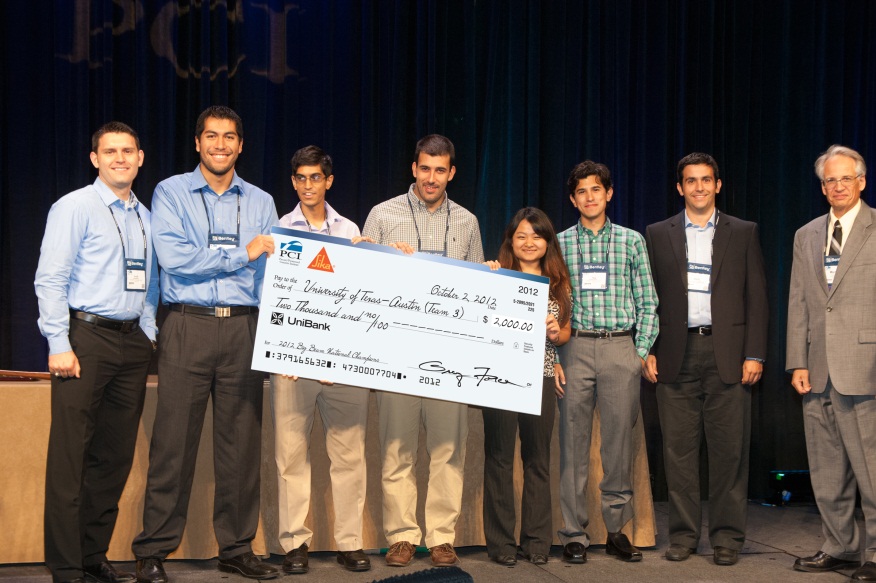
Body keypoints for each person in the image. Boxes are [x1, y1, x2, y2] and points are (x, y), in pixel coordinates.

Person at [131, 106, 278, 583]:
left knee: (241, 447)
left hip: (243, 329)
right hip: (186, 326)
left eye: (229, 137)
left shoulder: (261, 201)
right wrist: (242, 253)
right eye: (211, 136)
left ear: (240, 145)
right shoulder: (170, 192)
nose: (220, 145)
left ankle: (236, 547)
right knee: (173, 443)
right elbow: (175, 259)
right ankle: (153, 550)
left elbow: (274, 274)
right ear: (197, 143)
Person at [35, 122, 157, 583]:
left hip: (131, 344)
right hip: (84, 340)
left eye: (128, 150)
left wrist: (147, 332)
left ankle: (92, 555)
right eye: (110, 151)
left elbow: (148, 283)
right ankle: (66, 568)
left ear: (141, 158)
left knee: (114, 457)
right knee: (71, 458)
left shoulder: (144, 216)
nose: (120, 158)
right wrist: (58, 343)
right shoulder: (75, 207)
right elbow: (50, 279)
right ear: (95, 159)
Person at [361, 134, 484, 567]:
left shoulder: (467, 222)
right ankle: (401, 536)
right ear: (413, 168)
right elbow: (361, 283)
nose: (431, 178)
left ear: (451, 173)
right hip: (395, 352)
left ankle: (441, 536)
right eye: (424, 168)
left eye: (440, 170)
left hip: (450, 357)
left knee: (449, 448)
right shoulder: (382, 215)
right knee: (397, 447)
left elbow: (478, 293)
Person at [644, 153, 768, 566]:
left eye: (706, 180)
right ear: (679, 188)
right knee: (678, 454)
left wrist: (754, 353)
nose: (698, 187)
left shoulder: (744, 232)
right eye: (690, 181)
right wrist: (648, 349)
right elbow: (649, 297)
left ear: (718, 185)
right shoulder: (658, 233)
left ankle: (728, 539)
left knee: (729, 452)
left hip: (728, 354)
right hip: (675, 354)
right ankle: (682, 537)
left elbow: (757, 298)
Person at [270, 145, 371, 574]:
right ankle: (295, 543)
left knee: (349, 455)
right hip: (292, 363)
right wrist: (288, 348)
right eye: (301, 178)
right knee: (291, 455)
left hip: (343, 364)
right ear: (293, 182)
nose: (308, 185)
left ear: (328, 181)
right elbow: (272, 296)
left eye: (316, 178)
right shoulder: (278, 229)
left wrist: (340, 356)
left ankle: (349, 542)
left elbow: (363, 297)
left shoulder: (350, 230)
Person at [555, 160, 658, 565]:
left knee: (617, 445)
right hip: (574, 348)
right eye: (581, 191)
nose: (589, 197)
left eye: (596, 189)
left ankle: (616, 531)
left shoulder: (631, 241)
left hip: (620, 349)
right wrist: (554, 356)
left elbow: (648, 300)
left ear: (609, 193)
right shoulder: (560, 243)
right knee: (573, 444)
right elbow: (550, 303)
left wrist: (639, 353)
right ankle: (574, 533)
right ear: (572, 199)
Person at [787, 145, 876, 581]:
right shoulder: (806, 234)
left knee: (872, 471)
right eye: (829, 180)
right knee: (826, 471)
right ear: (822, 188)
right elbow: (799, 302)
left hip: (866, 366)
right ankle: (840, 547)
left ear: (861, 181)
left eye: (845, 178)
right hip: (817, 370)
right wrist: (796, 362)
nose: (837, 186)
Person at [482, 207, 571, 566]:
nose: (529, 242)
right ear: (510, 241)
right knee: (499, 459)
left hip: (542, 377)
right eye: (521, 235)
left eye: (536, 235)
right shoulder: (495, 275)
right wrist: (483, 276)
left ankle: (537, 542)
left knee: (537, 460)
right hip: (498, 376)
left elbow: (565, 332)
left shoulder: (559, 283)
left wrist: (555, 332)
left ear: (547, 241)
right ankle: (501, 544)